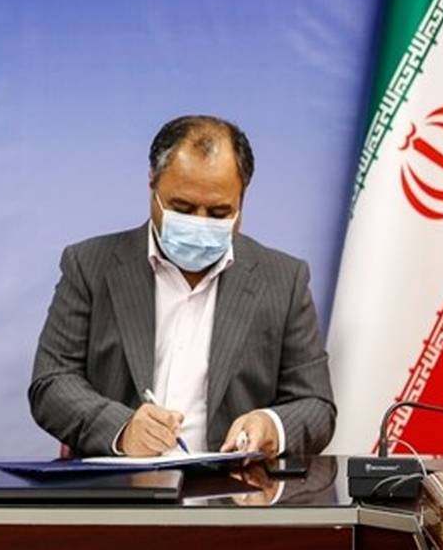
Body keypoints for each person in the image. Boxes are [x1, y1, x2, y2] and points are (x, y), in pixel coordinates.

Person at [28, 115, 335, 458]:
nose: (199, 224)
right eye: (182, 208)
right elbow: (51, 383)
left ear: (242, 199)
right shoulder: (89, 265)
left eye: (219, 213)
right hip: (117, 486)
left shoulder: (283, 279)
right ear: (153, 183)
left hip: (232, 487)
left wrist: (271, 424)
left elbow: (315, 405)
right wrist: (122, 429)